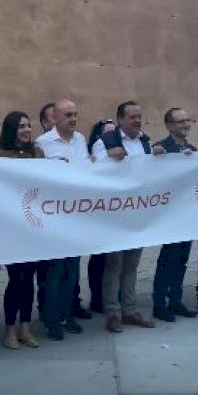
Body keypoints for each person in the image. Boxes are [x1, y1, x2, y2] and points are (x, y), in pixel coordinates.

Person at [33, 99, 91, 340]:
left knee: (72, 270)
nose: (73, 119)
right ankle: (51, 319)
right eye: (68, 115)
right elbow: (37, 177)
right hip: (53, 216)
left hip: (76, 215)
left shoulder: (80, 140)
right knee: (53, 272)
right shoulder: (42, 143)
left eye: (75, 114)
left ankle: (67, 314)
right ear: (55, 118)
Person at [98, 101, 157, 332]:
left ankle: (130, 311)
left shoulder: (145, 142)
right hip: (115, 213)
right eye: (132, 117)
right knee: (114, 265)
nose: (137, 121)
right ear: (120, 119)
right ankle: (113, 313)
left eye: (139, 116)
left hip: (138, 212)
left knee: (132, 264)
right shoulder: (105, 141)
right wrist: (107, 156)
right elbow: (91, 169)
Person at [0, 112, 46, 349]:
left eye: (28, 125)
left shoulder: (38, 153)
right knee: (16, 278)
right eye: (21, 126)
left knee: (29, 278)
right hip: (11, 226)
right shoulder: (0, 156)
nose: (26, 130)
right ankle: (9, 329)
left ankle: (25, 327)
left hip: (33, 225)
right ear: (11, 129)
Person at [149, 108, 198, 322]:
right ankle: (159, 303)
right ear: (169, 126)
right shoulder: (161, 148)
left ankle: (175, 300)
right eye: (181, 121)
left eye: (188, 120)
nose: (186, 124)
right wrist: (157, 156)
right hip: (169, 214)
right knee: (167, 259)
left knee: (182, 259)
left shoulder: (193, 150)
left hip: (187, 214)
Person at [84, 119, 116, 314]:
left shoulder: (120, 151)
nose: (111, 137)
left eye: (114, 133)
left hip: (116, 211)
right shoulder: (94, 153)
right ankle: (97, 297)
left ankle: (112, 295)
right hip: (97, 211)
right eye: (107, 133)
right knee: (98, 257)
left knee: (113, 258)